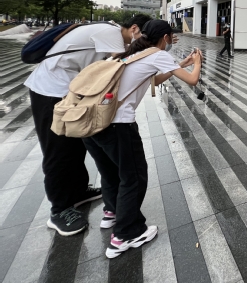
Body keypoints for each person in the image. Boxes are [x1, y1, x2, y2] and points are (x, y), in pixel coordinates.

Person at [83, 20, 202, 258]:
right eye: (170, 38)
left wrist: (181, 64)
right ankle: (125, 235)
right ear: (165, 38)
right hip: (118, 125)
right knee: (134, 178)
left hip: (92, 121)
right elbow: (192, 80)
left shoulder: (131, 53)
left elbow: (152, 80)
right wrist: (197, 63)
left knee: (110, 172)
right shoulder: (157, 54)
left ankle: (112, 213)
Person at [24, 14, 152, 236]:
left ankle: (78, 191)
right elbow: (124, 62)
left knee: (77, 144)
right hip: (49, 90)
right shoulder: (111, 33)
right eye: (144, 35)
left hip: (70, 91)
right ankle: (60, 209)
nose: (144, 40)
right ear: (134, 28)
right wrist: (158, 48)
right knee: (58, 151)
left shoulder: (109, 32)